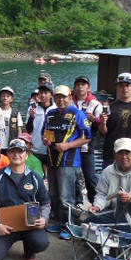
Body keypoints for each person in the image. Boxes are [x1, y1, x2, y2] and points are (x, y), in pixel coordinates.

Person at [0, 139, 51, 260]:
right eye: (12, 151)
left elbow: (45, 202)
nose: (16, 155)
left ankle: (30, 248)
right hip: (6, 226)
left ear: (26, 155)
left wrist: (44, 219)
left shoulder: (35, 177)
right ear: (8, 154)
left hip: (30, 226)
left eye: (20, 152)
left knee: (41, 243)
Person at [43, 85, 91, 240]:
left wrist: (68, 146)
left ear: (70, 97)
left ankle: (69, 226)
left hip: (69, 162)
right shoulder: (50, 113)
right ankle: (58, 221)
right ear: (54, 98)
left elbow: (87, 136)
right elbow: (45, 133)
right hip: (51, 160)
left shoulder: (78, 113)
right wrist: (45, 139)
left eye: (63, 96)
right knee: (54, 194)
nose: (60, 99)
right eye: (57, 97)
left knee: (66, 196)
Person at [88, 138, 131, 235]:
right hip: (114, 212)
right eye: (120, 153)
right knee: (88, 224)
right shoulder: (107, 172)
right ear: (115, 155)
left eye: (128, 153)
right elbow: (102, 194)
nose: (124, 157)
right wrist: (97, 206)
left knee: (130, 236)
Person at [72, 75, 103, 204]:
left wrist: (94, 119)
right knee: (73, 177)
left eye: (83, 84)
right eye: (78, 84)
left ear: (88, 87)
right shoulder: (69, 102)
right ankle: (77, 203)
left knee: (90, 176)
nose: (80, 87)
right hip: (71, 146)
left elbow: (102, 127)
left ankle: (95, 203)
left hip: (87, 146)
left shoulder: (95, 104)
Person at [25, 83, 56, 168]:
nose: (43, 95)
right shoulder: (33, 108)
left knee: (50, 177)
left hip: (51, 149)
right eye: (41, 93)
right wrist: (31, 117)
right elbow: (28, 129)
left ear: (51, 95)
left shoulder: (56, 108)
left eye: (46, 93)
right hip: (35, 149)